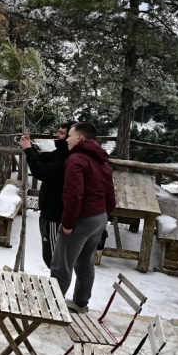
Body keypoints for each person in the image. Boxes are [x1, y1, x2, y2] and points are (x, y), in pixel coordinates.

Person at [52, 122, 115, 314]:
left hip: (82, 219)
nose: (67, 140)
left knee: (62, 263)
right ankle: (80, 303)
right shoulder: (101, 160)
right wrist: (105, 216)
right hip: (99, 218)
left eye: (69, 135)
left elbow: (73, 194)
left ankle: (52, 305)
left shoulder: (76, 159)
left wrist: (69, 223)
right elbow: (110, 192)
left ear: (80, 137)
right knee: (85, 262)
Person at [19, 121, 74, 269]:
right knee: (49, 255)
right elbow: (43, 159)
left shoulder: (68, 159)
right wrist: (30, 147)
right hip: (48, 213)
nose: (57, 135)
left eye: (62, 133)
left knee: (54, 258)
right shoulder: (61, 153)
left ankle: (56, 289)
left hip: (55, 215)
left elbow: (41, 172)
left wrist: (29, 150)